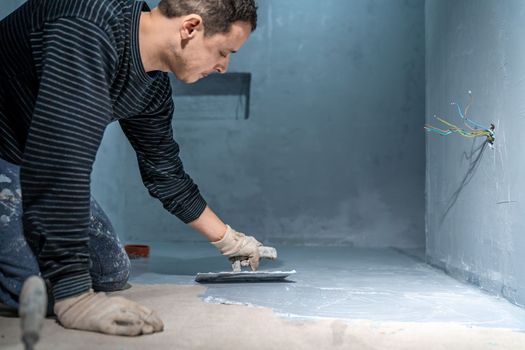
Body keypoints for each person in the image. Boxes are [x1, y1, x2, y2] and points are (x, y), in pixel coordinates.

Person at [0, 0, 275, 336]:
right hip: (22, 161)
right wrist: (75, 298)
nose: (223, 66)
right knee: (30, 285)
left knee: (110, 271)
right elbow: (61, 159)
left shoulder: (152, 87)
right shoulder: (87, 23)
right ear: (191, 27)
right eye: (223, 51)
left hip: (28, 164)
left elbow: (166, 174)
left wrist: (230, 240)